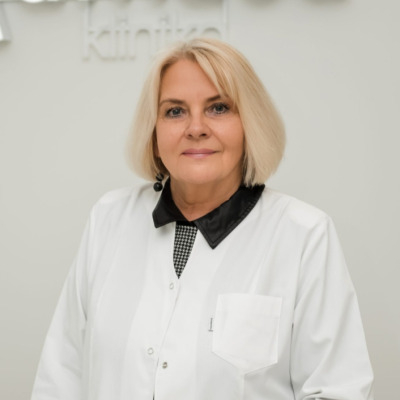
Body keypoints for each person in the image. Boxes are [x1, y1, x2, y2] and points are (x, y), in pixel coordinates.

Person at [31, 38, 374, 400]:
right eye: (175, 111)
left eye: (218, 108)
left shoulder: (304, 235)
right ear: (153, 131)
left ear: (250, 123)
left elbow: (338, 390)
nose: (196, 128)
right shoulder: (108, 217)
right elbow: (60, 376)